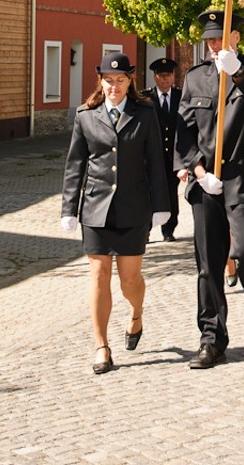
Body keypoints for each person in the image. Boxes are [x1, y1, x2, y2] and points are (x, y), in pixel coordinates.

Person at [177, 10, 244, 369]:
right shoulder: (196, 78)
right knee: (208, 265)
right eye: (209, 40)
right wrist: (198, 169)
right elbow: (184, 132)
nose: (214, 45)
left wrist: (237, 71)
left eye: (220, 37)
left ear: (236, 37)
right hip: (208, 182)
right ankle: (211, 339)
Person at [61, 53, 171, 375]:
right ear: (101, 82)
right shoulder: (86, 115)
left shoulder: (145, 114)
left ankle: (136, 314)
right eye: (108, 81)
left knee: (129, 280)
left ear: (129, 81)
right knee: (99, 275)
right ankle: (101, 346)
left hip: (134, 208)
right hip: (95, 209)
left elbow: (155, 163)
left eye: (120, 80)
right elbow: (75, 166)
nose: (114, 87)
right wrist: (69, 207)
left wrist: (162, 205)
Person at [143, 57, 182, 241]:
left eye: (168, 75)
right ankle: (146, 230)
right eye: (161, 75)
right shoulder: (145, 99)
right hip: (151, 157)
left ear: (173, 76)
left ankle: (169, 230)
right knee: (149, 194)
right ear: (155, 77)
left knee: (171, 195)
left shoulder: (181, 97)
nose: (165, 79)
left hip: (173, 157)